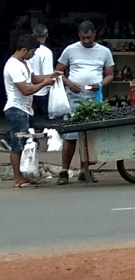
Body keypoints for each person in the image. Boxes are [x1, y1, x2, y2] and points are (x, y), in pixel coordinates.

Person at [56, 21, 116, 182]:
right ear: (79, 36)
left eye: (89, 37)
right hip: (74, 97)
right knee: (70, 135)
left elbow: (110, 74)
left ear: (94, 34)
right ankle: (64, 171)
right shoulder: (70, 50)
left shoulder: (104, 52)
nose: (86, 41)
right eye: (83, 38)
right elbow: (58, 71)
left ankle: (85, 170)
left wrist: (100, 85)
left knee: (89, 135)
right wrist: (69, 83)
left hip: (93, 99)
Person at [6, 35, 59, 188]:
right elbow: (26, 90)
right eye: (32, 52)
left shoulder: (24, 63)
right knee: (18, 144)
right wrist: (45, 83)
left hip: (26, 110)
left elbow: (33, 79)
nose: (34, 55)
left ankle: (24, 175)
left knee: (28, 144)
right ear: (24, 50)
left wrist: (50, 76)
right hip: (16, 109)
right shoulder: (13, 66)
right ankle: (18, 178)